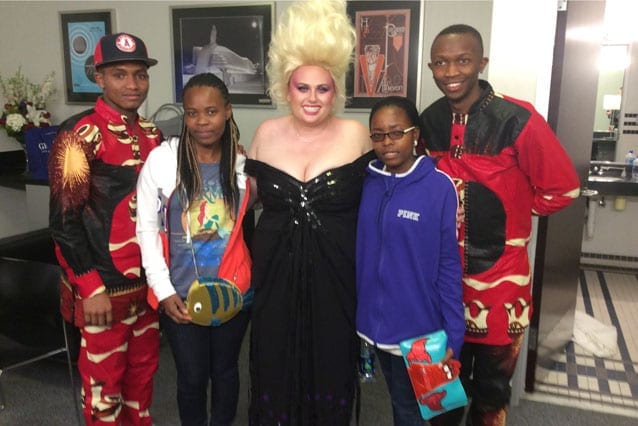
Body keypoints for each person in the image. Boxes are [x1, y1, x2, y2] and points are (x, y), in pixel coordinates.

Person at [418, 24, 580, 425]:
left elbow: (563, 188)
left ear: (481, 63)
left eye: (462, 60)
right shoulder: (429, 120)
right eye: (440, 62)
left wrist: (512, 222)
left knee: (491, 394)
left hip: (500, 287)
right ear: (431, 68)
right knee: (437, 389)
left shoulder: (517, 118)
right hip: (438, 278)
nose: (450, 70)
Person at [245, 0, 374, 423]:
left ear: (336, 91)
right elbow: (244, 203)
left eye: (323, 88)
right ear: (286, 89)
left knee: (332, 362)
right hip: (275, 275)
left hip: (337, 276)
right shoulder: (265, 133)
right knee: (274, 359)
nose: (313, 98)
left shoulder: (357, 135)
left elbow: (380, 208)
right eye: (303, 88)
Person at [48, 32, 161, 425]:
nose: (132, 84)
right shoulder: (78, 136)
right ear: (99, 77)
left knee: (142, 385)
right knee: (102, 394)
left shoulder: (152, 134)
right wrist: (89, 286)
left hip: (146, 291)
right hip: (101, 291)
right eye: (119, 74)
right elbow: (64, 222)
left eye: (139, 75)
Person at [136, 72, 251, 426]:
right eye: (192, 113)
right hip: (181, 296)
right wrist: (163, 290)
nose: (201, 121)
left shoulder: (243, 165)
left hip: (235, 293)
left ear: (228, 111)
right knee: (191, 378)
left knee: (226, 372)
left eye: (211, 111)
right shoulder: (162, 161)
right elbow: (146, 228)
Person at [356, 96, 465, 426]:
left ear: (415, 134)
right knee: (397, 403)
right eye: (378, 135)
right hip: (372, 327)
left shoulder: (438, 187)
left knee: (412, 413)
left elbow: (448, 264)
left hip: (418, 331)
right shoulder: (365, 181)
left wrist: (454, 332)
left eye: (396, 132)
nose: (387, 142)